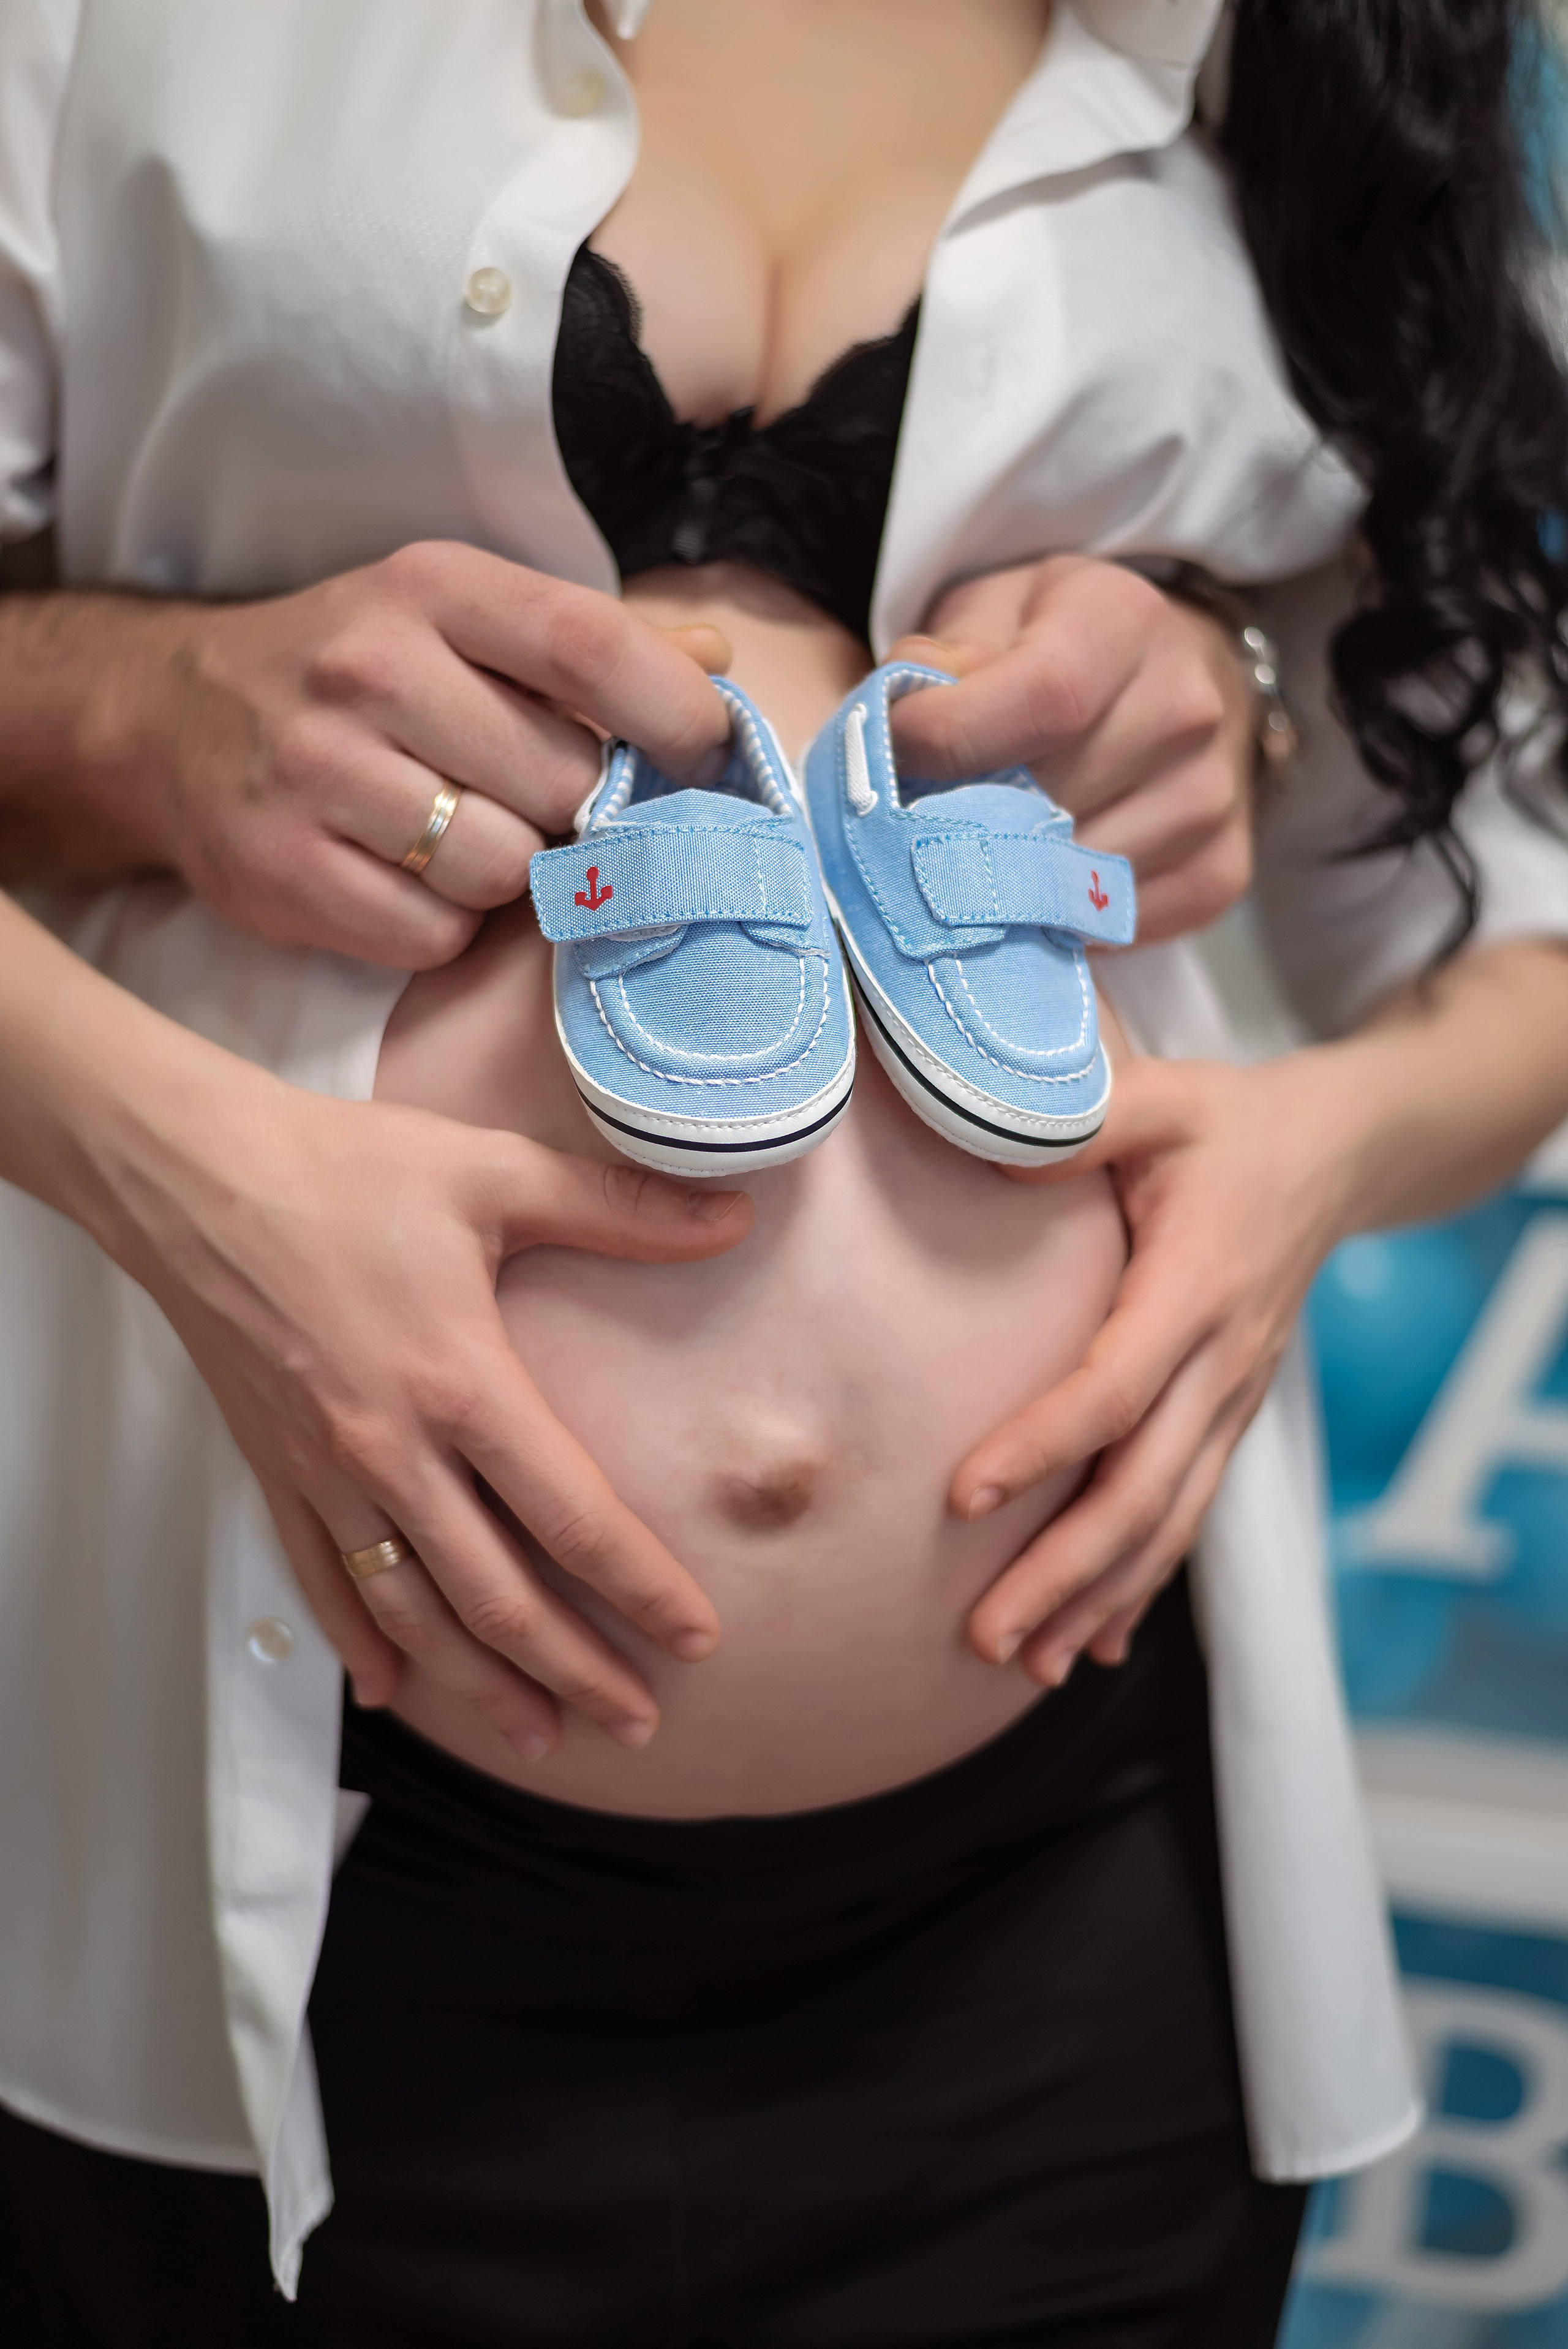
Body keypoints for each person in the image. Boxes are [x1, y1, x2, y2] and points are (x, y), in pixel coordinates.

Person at [4, 2, 1568, 2343]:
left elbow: (1519, 922)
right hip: (287, 1824)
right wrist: (171, 1069)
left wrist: (1298, 1157)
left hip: (1064, 1910)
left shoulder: (1320, 57)